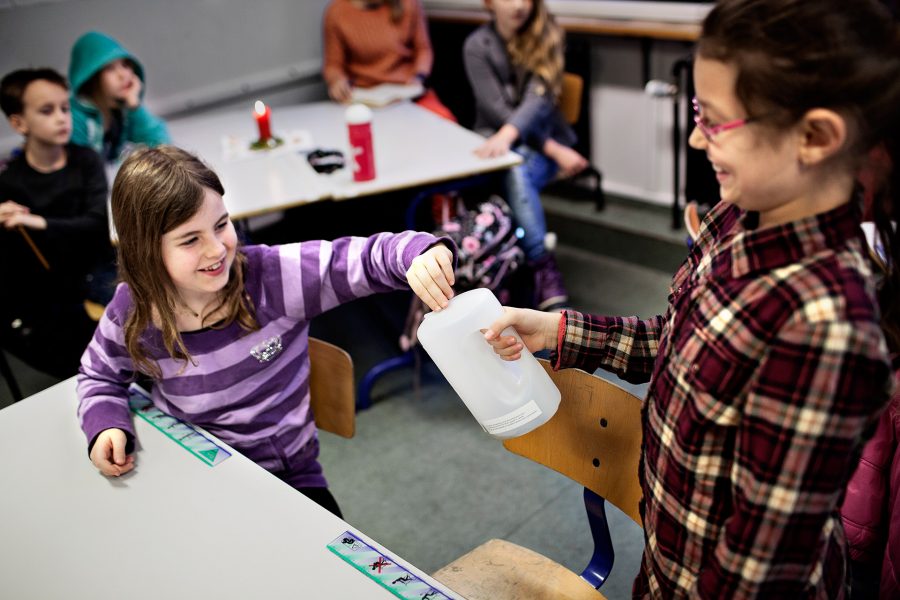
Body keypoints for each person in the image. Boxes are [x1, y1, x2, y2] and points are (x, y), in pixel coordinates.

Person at [482, 0, 900, 596]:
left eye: (717, 120)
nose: (696, 136)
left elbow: (756, 573)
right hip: (668, 561)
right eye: (699, 110)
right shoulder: (741, 214)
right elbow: (680, 342)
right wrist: (557, 332)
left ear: (815, 137)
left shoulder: (825, 325)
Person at [76, 145, 455, 517]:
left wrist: (418, 255)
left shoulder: (274, 277)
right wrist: (106, 424)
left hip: (290, 478)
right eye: (190, 239)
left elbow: (368, 259)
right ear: (146, 252)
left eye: (221, 225)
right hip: (197, 478)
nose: (216, 249)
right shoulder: (134, 310)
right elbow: (99, 376)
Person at [463, 0, 588, 311]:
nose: (519, 4)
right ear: (488, 3)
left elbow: (538, 104)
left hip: (532, 144)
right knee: (504, 176)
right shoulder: (476, 45)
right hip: (503, 142)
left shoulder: (549, 35)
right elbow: (494, 107)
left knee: (514, 171)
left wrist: (518, 138)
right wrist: (553, 149)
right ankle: (519, 272)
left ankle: (539, 266)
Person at [0, 68, 111, 379]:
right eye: (47, 111)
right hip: (51, 295)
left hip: (99, 272)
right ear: (19, 122)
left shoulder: (85, 160)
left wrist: (36, 221)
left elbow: (96, 225)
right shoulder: (10, 182)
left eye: (65, 108)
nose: (63, 118)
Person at [322, 0, 455, 121]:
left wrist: (419, 75)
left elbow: (423, 49)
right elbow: (333, 64)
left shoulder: (408, 4)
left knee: (444, 119)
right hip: (366, 97)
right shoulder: (337, 12)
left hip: (406, 92)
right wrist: (336, 80)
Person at [69, 31, 170, 163]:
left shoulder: (121, 113)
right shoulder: (74, 119)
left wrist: (134, 105)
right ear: (91, 75)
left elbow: (163, 147)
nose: (123, 75)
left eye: (125, 65)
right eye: (110, 68)